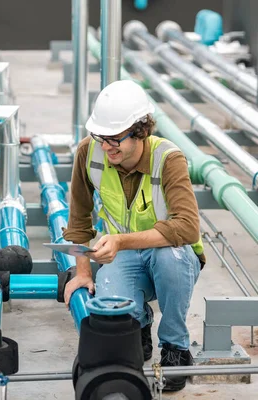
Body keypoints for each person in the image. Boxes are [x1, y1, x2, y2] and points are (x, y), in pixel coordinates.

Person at [63, 80, 204, 392]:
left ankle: (175, 347)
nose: (105, 146)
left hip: (169, 254)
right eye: (101, 137)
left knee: (170, 258)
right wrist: (84, 272)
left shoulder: (168, 158)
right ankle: (137, 327)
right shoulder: (89, 152)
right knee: (112, 303)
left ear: (140, 131)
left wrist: (120, 241)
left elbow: (187, 228)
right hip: (124, 257)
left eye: (114, 139)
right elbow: (78, 219)